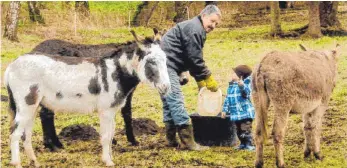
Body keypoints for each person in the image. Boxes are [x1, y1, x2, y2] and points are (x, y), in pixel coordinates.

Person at [160, 5, 222, 151]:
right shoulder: (195, 29)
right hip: (165, 65)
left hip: (162, 65)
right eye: (212, 21)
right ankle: (187, 142)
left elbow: (190, 59)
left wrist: (199, 80)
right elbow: (195, 59)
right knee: (175, 99)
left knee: (168, 102)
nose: (213, 26)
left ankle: (170, 139)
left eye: (216, 24)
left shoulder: (195, 27)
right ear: (204, 16)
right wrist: (207, 77)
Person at [221, 65, 255, 151]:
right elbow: (227, 99)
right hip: (236, 114)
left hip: (245, 113)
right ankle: (243, 144)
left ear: (241, 76)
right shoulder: (231, 86)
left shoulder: (245, 85)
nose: (231, 74)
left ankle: (249, 144)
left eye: (234, 73)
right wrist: (224, 110)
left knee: (245, 130)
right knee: (238, 131)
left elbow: (246, 94)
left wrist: (242, 86)